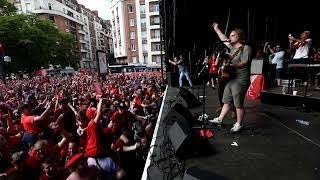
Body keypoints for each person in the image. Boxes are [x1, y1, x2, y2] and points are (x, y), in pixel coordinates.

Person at [209, 23, 252, 133]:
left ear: (239, 37)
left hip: (241, 79)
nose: (230, 37)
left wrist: (231, 66)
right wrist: (217, 29)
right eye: (230, 35)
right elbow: (224, 38)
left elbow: (244, 62)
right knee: (226, 100)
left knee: (238, 103)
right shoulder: (232, 48)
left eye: (233, 35)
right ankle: (220, 119)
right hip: (232, 79)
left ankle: (239, 123)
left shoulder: (246, 48)